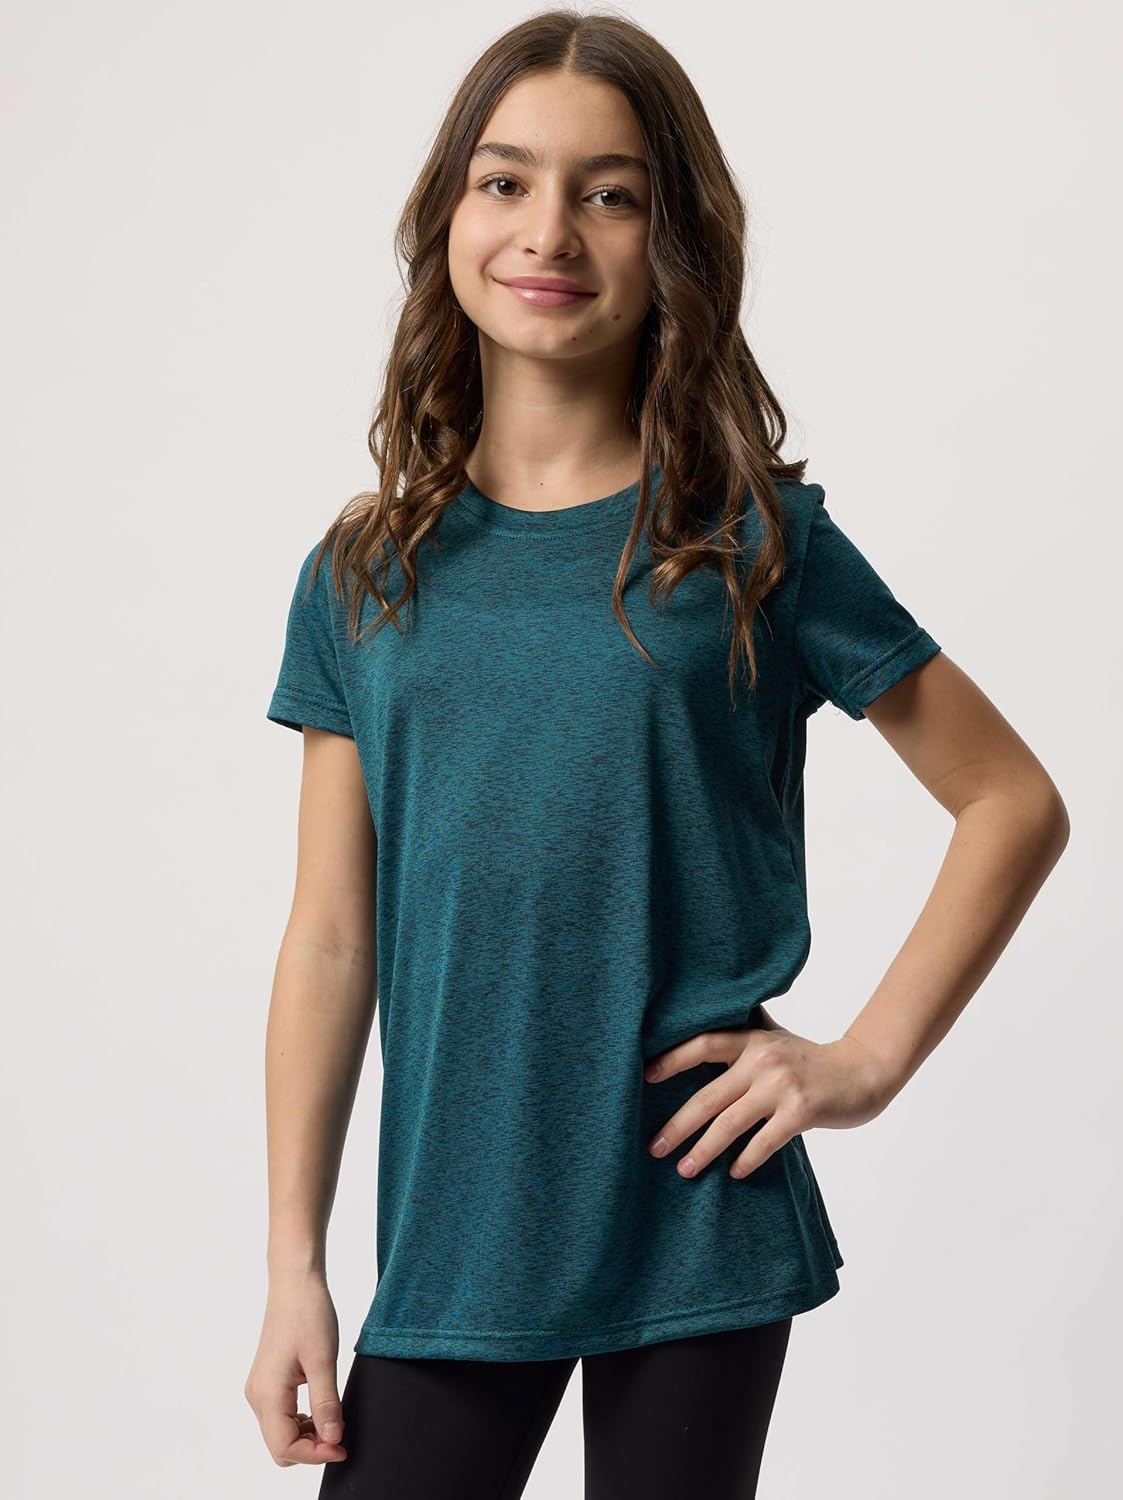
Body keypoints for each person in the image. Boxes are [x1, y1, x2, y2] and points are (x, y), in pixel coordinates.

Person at [243, 10, 1070, 1498]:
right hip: (455, 1228)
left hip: (697, 1203)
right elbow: (330, 935)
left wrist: (863, 1062)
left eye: (609, 193)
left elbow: (1009, 798)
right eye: (506, 182)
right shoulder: (365, 573)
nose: (548, 230)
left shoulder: (754, 544)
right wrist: (292, 1264)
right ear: (447, 217)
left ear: (669, 237)